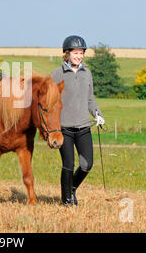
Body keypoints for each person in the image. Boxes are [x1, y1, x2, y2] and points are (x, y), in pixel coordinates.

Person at [51, 35, 105, 206]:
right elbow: (49, 101)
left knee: (87, 164)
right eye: (75, 52)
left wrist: (97, 114)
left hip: (83, 126)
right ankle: (66, 200)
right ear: (66, 53)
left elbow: (90, 98)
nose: (79, 56)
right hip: (64, 127)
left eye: (81, 53)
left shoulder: (86, 73)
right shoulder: (57, 73)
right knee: (68, 164)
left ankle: (71, 188)